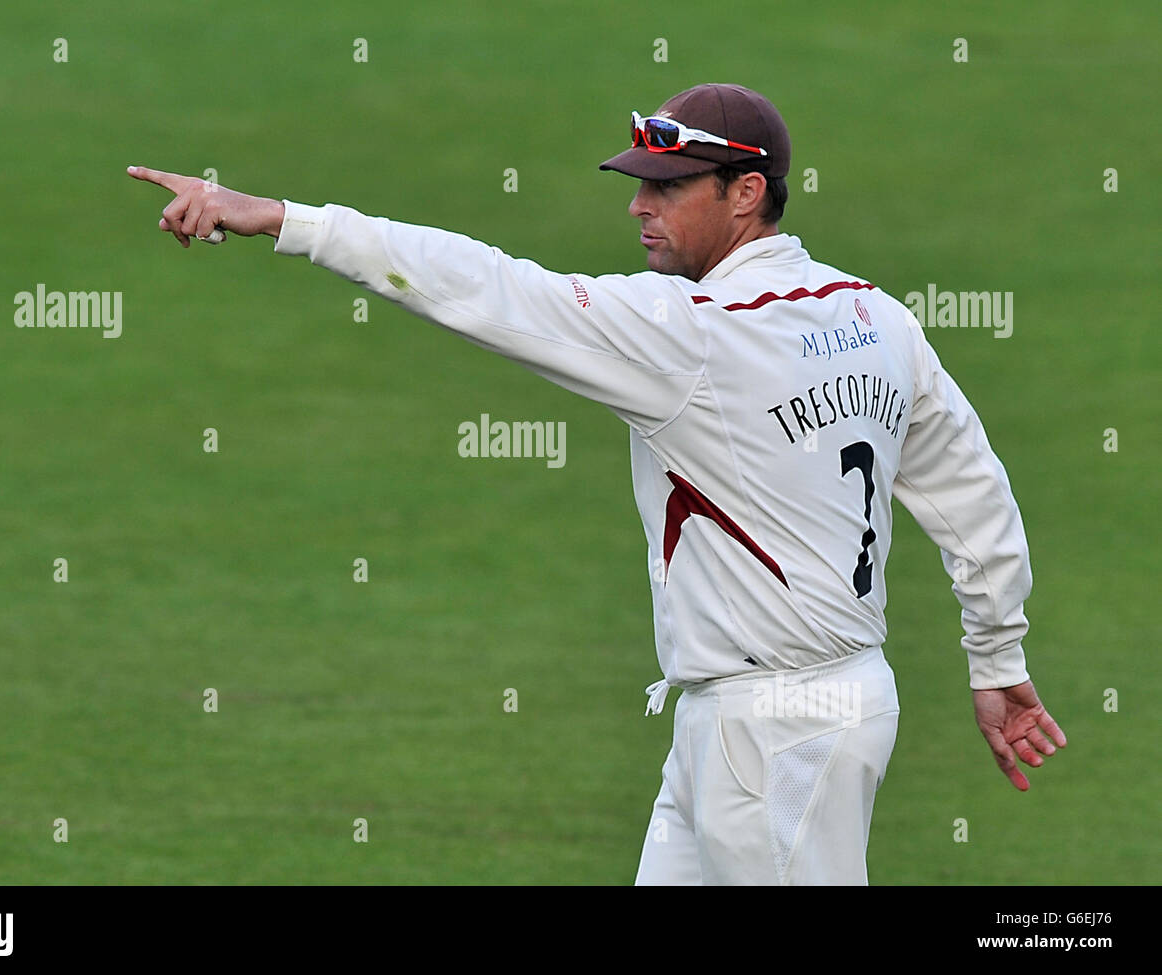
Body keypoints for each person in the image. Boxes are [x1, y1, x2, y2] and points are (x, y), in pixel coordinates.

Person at [127, 82, 1066, 885]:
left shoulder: (687, 332)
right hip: (770, 715)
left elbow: (487, 289)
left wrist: (292, 221)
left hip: (777, 734)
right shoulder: (876, 319)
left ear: (746, 193)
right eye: (637, 184)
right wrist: (998, 662)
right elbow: (972, 499)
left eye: (666, 186)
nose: (638, 207)